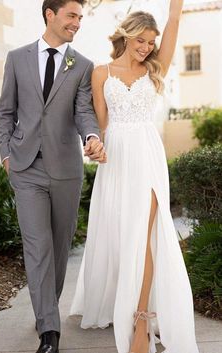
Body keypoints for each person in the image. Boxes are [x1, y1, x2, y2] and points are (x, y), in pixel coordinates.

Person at [70, 1, 199, 353]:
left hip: (147, 155)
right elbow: (99, 123)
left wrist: (176, 6)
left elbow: (175, 19)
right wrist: (93, 144)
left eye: (150, 43)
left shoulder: (155, 68)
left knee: (146, 231)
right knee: (120, 232)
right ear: (126, 36)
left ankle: (142, 317)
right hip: (116, 158)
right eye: (140, 40)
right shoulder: (101, 72)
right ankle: (117, 298)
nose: (145, 48)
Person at [0, 1, 106, 352]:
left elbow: (84, 112)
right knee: (38, 248)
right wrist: (7, 155)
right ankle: (49, 333)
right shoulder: (17, 58)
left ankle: (46, 312)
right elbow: (5, 113)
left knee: (58, 248)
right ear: (51, 14)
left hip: (66, 171)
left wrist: (92, 137)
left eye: (80, 17)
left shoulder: (82, 65)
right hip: (25, 168)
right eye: (71, 16)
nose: (77, 23)